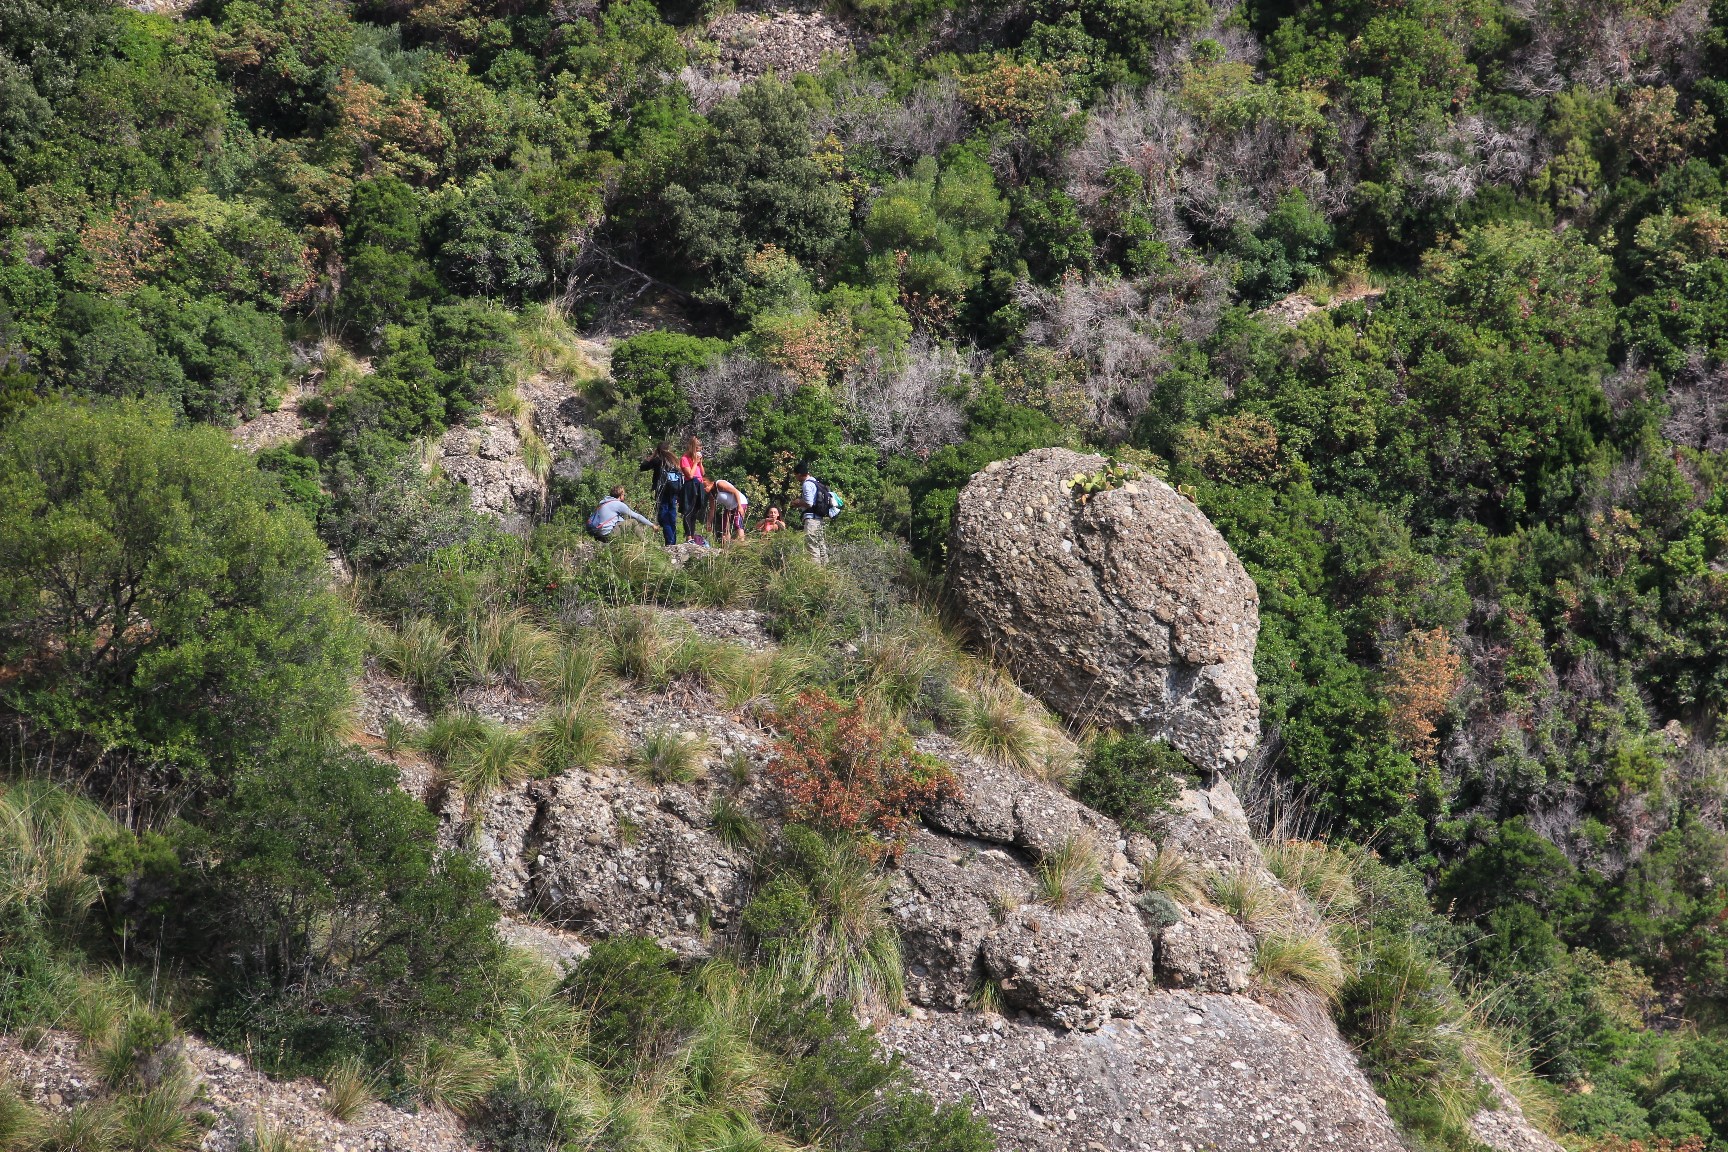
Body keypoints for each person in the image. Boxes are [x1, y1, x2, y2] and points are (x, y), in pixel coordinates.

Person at [791, 460, 839, 564]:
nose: (796, 478)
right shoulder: (816, 482)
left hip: (811, 520)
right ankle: (826, 569)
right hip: (819, 519)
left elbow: (809, 503)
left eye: (796, 475)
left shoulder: (807, 484)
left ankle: (816, 570)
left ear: (799, 474)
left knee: (812, 547)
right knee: (821, 546)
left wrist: (798, 502)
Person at [639, 443, 683, 545]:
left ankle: (669, 543)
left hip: (662, 492)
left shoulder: (658, 460)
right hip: (674, 491)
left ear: (657, 450)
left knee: (663, 517)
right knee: (672, 516)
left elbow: (643, 467)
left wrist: (651, 457)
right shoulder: (674, 460)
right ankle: (673, 541)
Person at [586, 486, 654, 540]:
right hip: (607, 535)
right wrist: (652, 525)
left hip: (596, 534)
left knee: (623, 522)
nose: (624, 496)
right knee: (633, 522)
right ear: (620, 495)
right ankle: (645, 542)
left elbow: (618, 520)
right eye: (624, 494)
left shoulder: (604, 503)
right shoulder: (618, 504)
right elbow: (637, 516)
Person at [679, 434, 708, 540]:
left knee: (695, 511)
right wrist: (695, 462)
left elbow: (703, 473)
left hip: (699, 484)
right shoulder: (684, 459)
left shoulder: (696, 459)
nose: (699, 450)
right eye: (697, 448)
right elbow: (690, 475)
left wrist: (700, 463)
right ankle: (689, 536)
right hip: (690, 485)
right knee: (689, 510)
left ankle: (692, 534)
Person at [705, 476, 749, 542]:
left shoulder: (719, 484)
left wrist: (740, 506)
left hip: (740, 502)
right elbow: (712, 509)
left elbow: (735, 491)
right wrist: (708, 523)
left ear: (710, 483)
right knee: (725, 526)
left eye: (705, 486)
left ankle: (742, 542)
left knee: (737, 523)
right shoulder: (711, 495)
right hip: (729, 507)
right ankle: (726, 544)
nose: (704, 489)